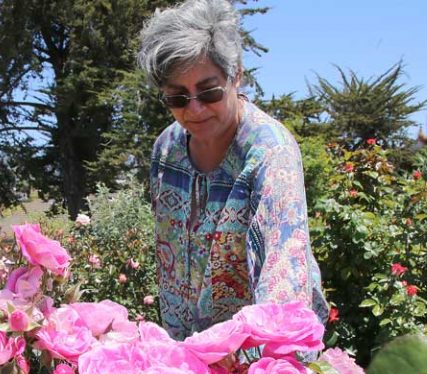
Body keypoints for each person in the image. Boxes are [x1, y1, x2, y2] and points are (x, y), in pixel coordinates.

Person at [138, 0, 327, 340]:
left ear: (236, 74)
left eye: (208, 91)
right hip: (185, 349)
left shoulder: (270, 151)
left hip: (252, 354)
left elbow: (284, 269)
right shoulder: (166, 149)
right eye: (178, 98)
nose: (194, 108)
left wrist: (266, 370)